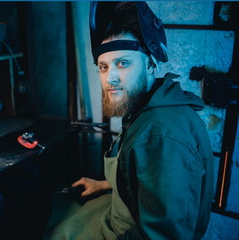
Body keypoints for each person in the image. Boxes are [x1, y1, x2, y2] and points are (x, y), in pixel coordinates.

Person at [44, 2, 214, 239]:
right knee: (58, 211)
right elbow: (144, 180)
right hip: (124, 208)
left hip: (128, 230)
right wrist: (104, 184)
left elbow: (164, 236)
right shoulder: (148, 107)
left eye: (122, 63)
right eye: (103, 67)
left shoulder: (160, 135)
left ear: (151, 64)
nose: (109, 78)